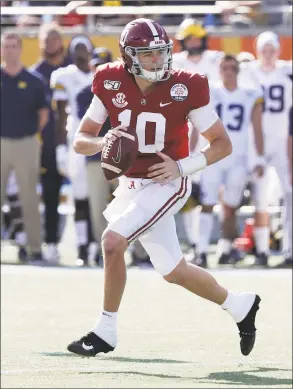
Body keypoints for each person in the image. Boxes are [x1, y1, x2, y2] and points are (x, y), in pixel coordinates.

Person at [67, 18, 261, 358]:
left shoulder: (186, 85)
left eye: (161, 53)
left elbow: (221, 144)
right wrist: (103, 141)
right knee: (174, 271)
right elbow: (81, 139)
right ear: (129, 57)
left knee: (113, 241)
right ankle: (240, 305)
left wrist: (181, 166)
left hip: (167, 181)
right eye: (148, 54)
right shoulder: (110, 80)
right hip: (131, 184)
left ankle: (106, 330)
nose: (158, 60)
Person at [196, 55, 265, 268]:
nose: (228, 71)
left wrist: (259, 157)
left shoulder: (249, 94)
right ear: (219, 70)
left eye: (232, 68)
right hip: (213, 154)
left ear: (237, 71)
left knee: (231, 205)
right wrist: (191, 152)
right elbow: (195, 124)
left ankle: (225, 248)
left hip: (238, 156)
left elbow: (257, 128)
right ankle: (201, 251)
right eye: (224, 67)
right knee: (207, 203)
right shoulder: (209, 92)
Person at [240, 31, 292, 266]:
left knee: (290, 194)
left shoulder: (287, 71)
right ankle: (261, 250)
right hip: (257, 141)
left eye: (272, 49)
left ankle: (289, 249)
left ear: (279, 50)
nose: (269, 54)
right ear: (257, 50)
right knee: (259, 196)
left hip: (283, 141)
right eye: (264, 49)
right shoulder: (248, 71)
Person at [1, 32, 49, 263]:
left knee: (29, 197)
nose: (10, 50)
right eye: (6, 46)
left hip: (26, 143)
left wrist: (29, 135)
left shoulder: (34, 80)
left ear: (20, 49)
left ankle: (34, 248)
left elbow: (43, 114)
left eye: (13, 46)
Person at [50, 34, 95, 265]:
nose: (80, 52)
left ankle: (96, 246)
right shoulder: (63, 76)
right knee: (79, 197)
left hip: (99, 143)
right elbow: (60, 116)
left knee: (98, 199)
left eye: (83, 48)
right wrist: (60, 149)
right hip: (75, 143)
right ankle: (81, 246)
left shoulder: (100, 75)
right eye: (76, 48)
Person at [30, 22, 72, 264]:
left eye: (54, 39)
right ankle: (52, 242)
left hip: (75, 144)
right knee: (50, 194)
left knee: (86, 196)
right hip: (47, 145)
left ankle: (89, 245)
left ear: (62, 41)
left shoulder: (72, 69)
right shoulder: (36, 74)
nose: (50, 44)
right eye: (46, 39)